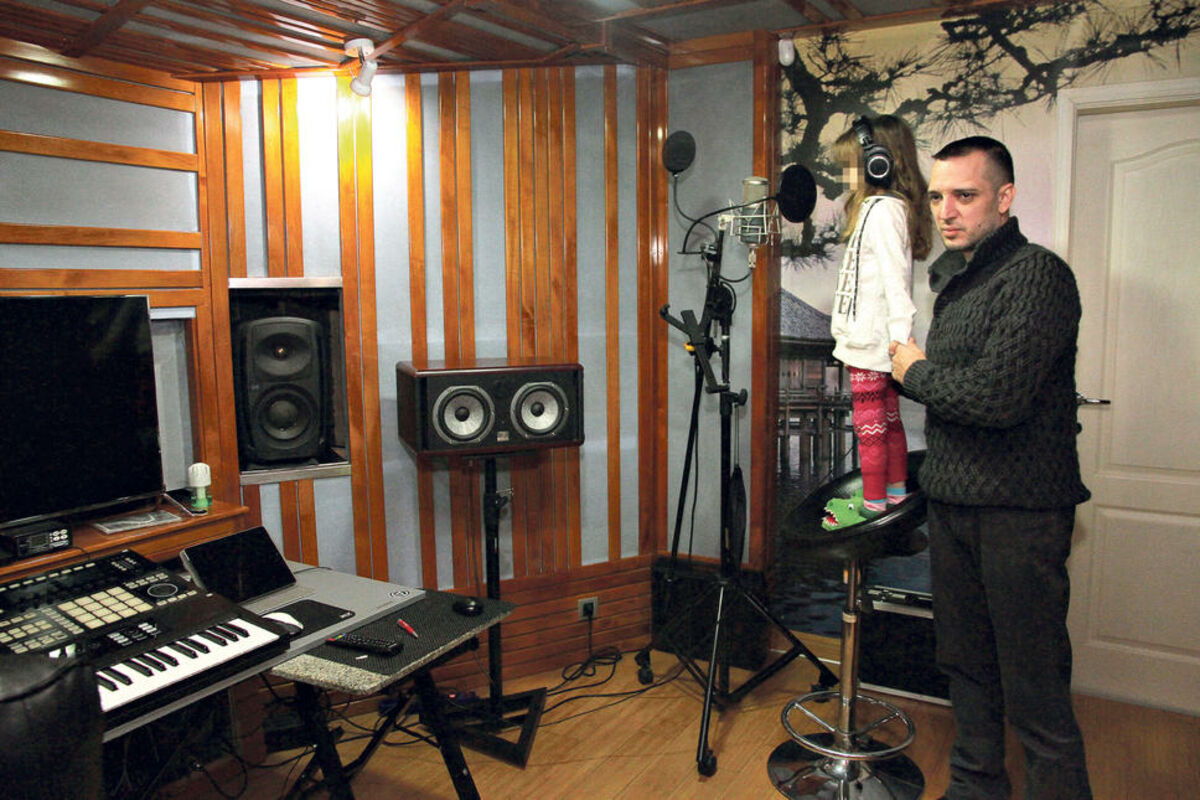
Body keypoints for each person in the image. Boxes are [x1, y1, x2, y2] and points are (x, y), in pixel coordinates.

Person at [890, 136, 1093, 800]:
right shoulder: (958, 282)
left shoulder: (1038, 275)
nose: (945, 211)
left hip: (1020, 514)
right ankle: (974, 789)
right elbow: (958, 393)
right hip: (954, 506)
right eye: (937, 196)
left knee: (1034, 686)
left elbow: (995, 399)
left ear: (1004, 198)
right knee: (966, 668)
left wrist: (914, 372)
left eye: (965, 195)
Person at [823, 114, 932, 529]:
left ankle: (873, 506)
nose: (846, 176)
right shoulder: (883, 209)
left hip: (872, 344)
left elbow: (895, 283)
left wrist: (898, 342)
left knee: (870, 427)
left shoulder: (884, 212)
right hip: (872, 341)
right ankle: (894, 492)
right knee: (887, 421)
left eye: (851, 166)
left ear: (878, 163)